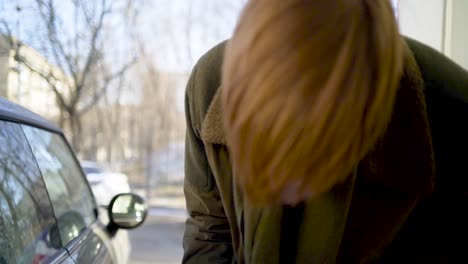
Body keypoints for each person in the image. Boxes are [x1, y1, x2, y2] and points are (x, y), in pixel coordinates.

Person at [182, 0, 468, 263]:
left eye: (311, 161)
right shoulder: (209, 87)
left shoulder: (453, 117)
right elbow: (209, 228)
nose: (288, 197)